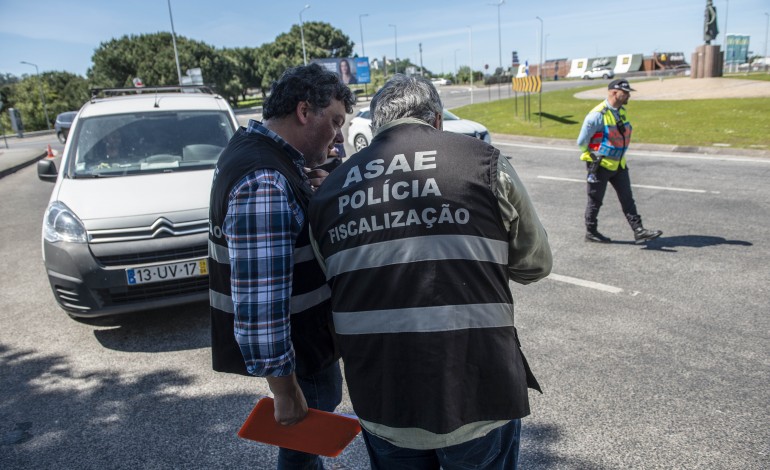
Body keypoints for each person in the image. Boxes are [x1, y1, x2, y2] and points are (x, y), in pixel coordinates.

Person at [309, 74, 553, 469]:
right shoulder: (484, 162)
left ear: (375, 127)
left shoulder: (328, 192)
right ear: (437, 120)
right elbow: (535, 265)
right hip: (477, 392)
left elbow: (336, 280)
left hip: (384, 397)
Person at [208, 63, 355, 469]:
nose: (340, 135)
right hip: (300, 357)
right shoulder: (266, 180)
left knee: (304, 454)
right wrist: (285, 390)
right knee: (301, 454)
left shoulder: (260, 154)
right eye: (336, 121)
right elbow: (260, 303)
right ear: (305, 112)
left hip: (303, 351)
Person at [577, 78, 662, 244]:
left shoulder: (620, 111)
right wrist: (594, 159)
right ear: (613, 93)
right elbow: (581, 143)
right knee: (595, 201)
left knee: (627, 199)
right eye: (625, 93)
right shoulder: (597, 115)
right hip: (600, 166)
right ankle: (591, 231)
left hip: (619, 164)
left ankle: (639, 230)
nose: (628, 96)